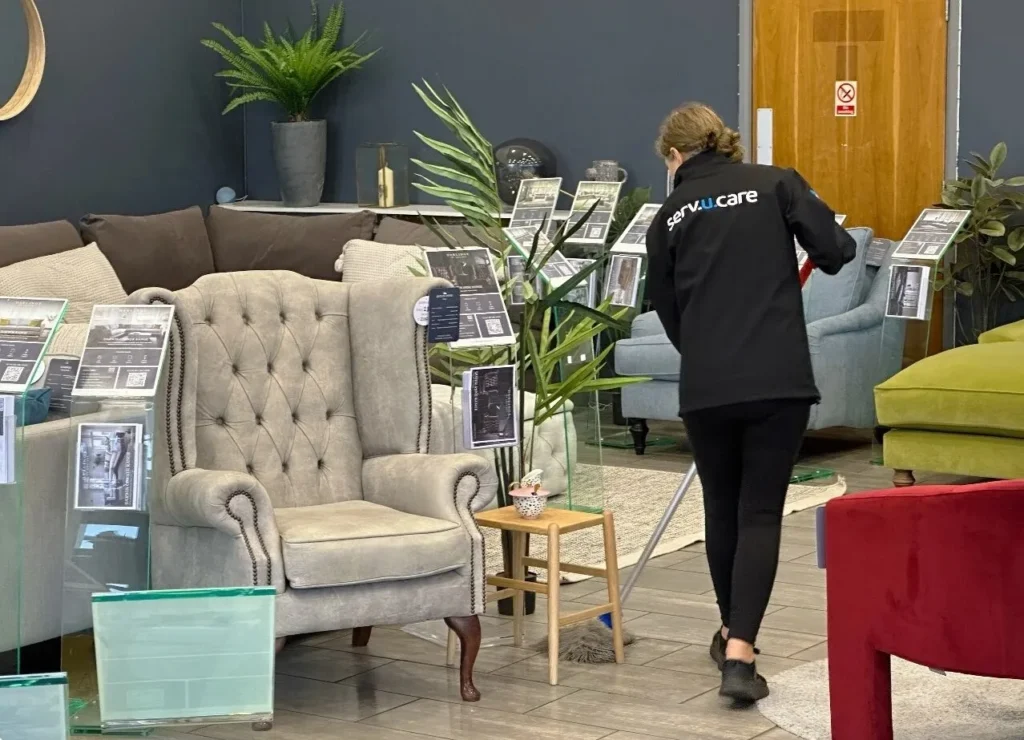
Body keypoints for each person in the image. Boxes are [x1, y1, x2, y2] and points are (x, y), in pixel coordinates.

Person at [645, 103, 856, 703]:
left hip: (709, 384)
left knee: (722, 509)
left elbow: (666, 305)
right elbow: (837, 251)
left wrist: (708, 353)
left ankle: (727, 630)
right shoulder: (776, 181)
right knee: (760, 513)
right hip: (777, 379)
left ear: (675, 157)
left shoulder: (667, 216)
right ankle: (740, 654)